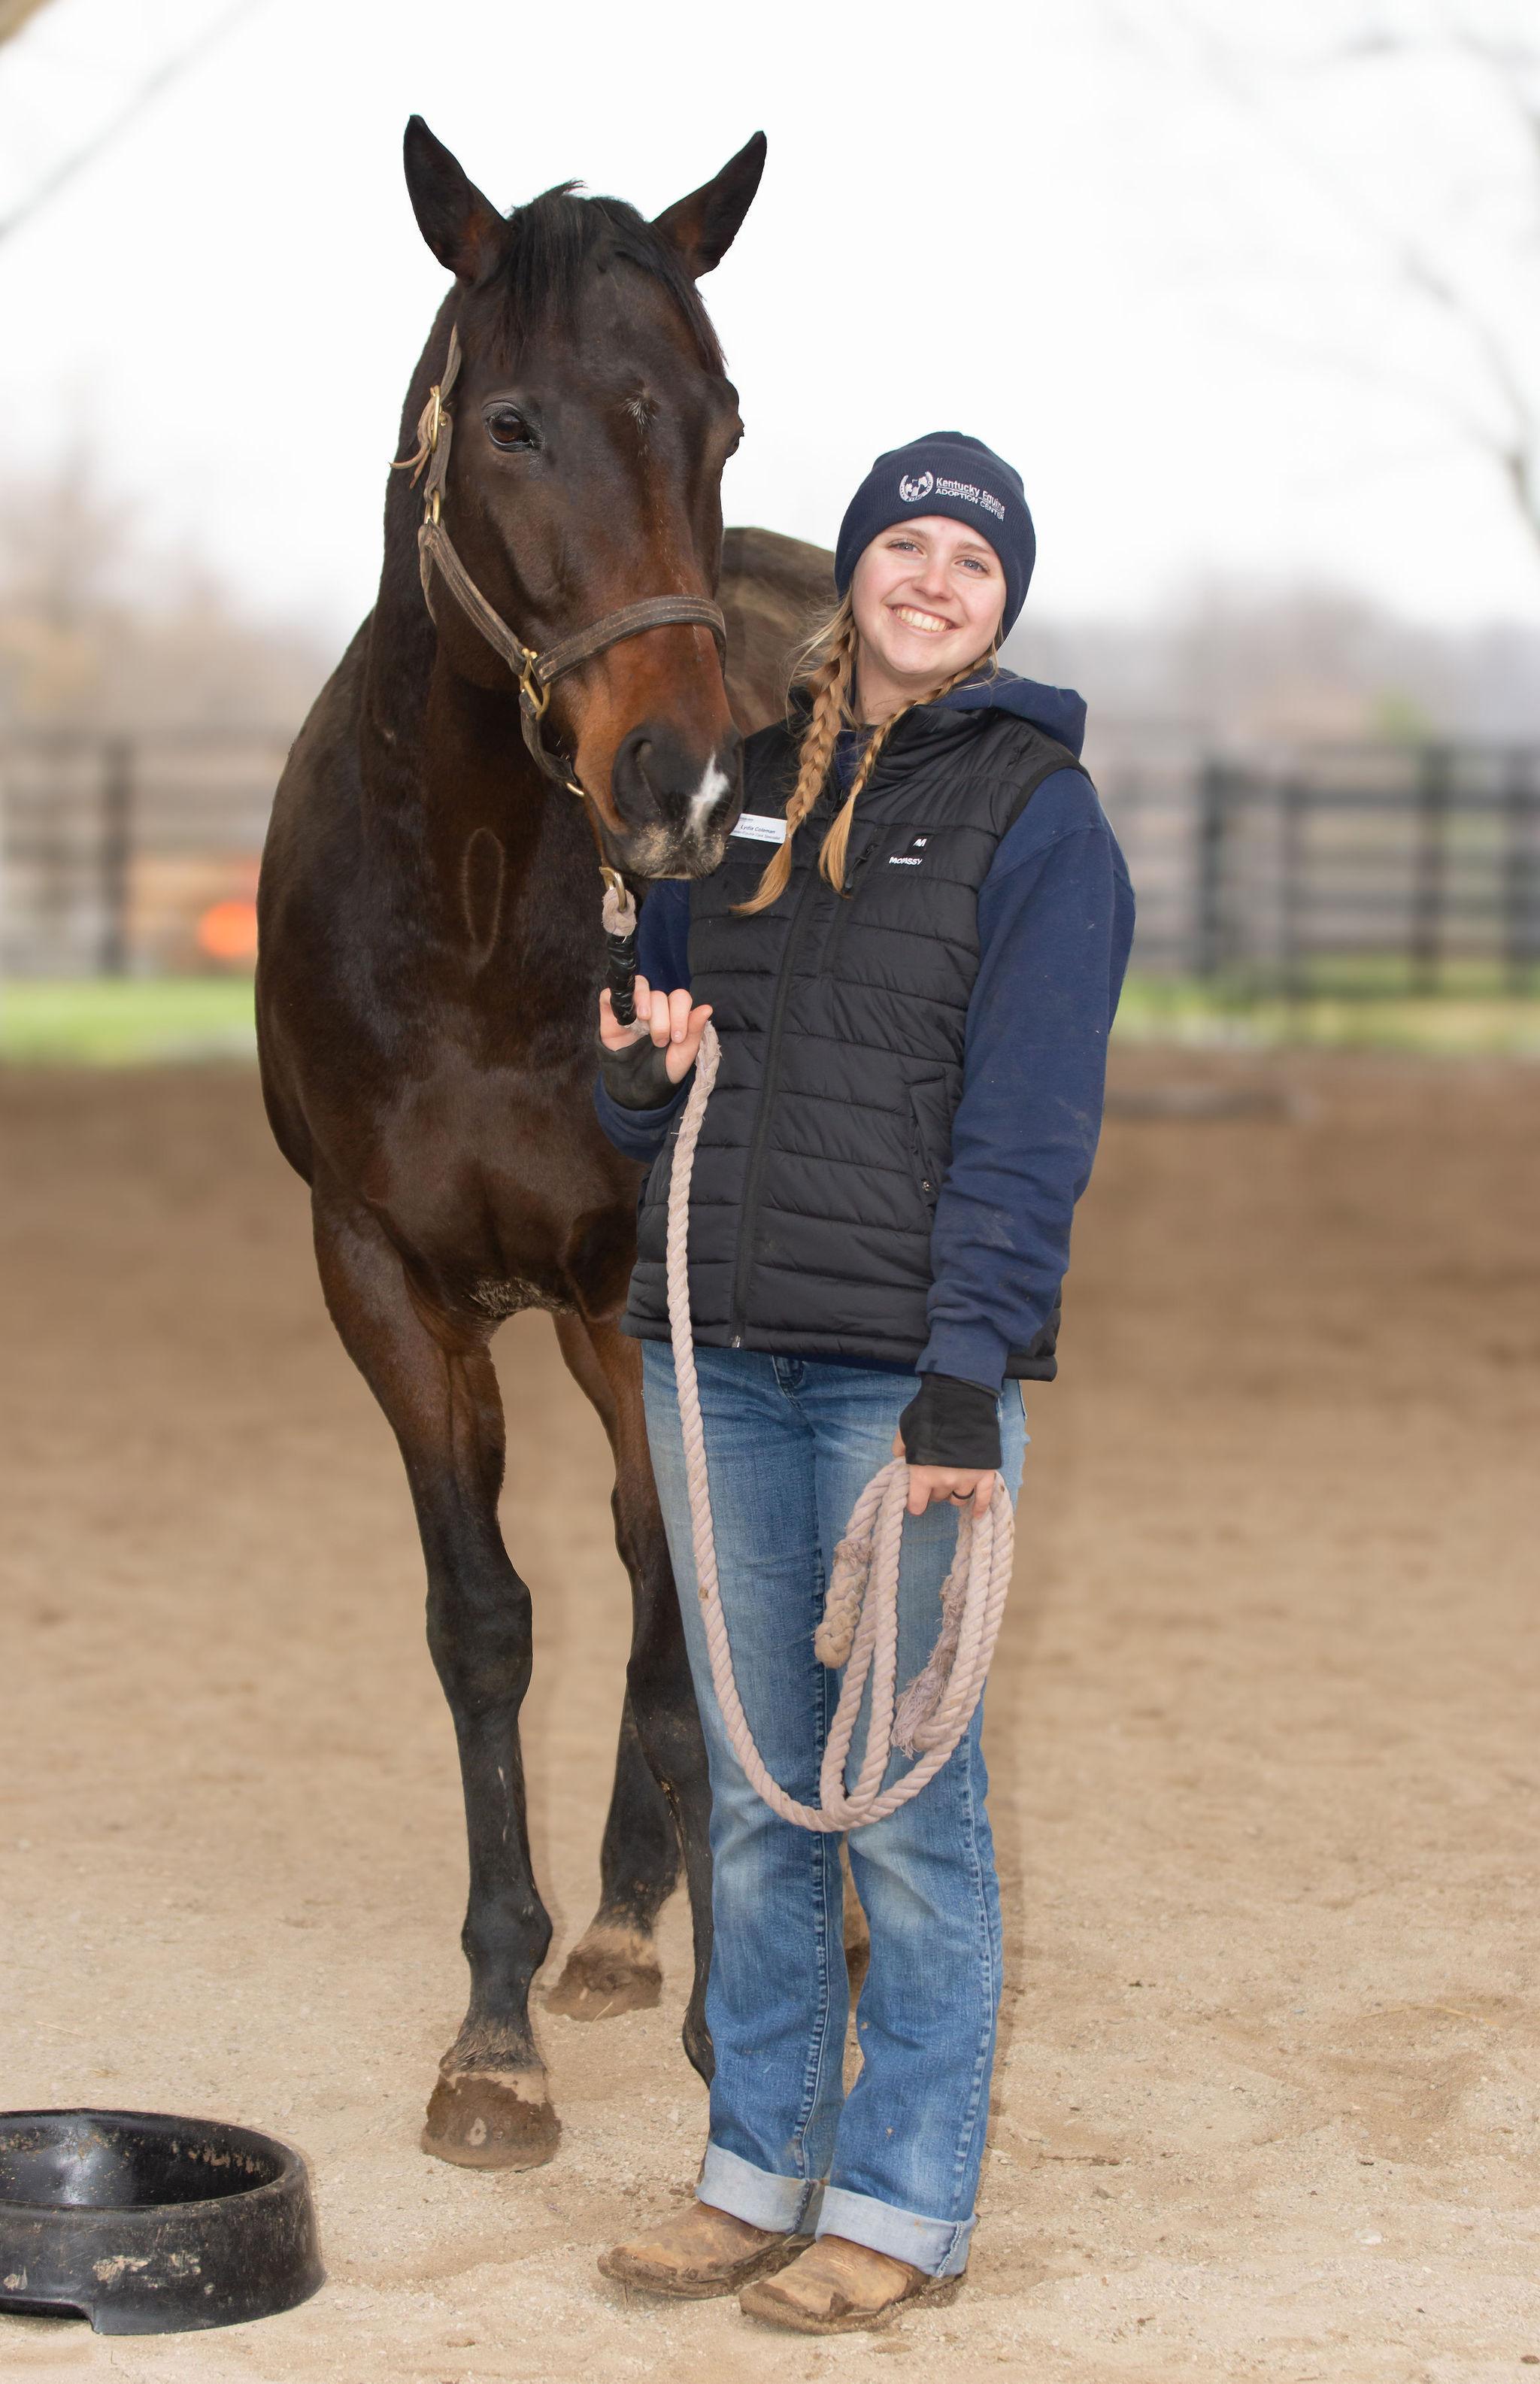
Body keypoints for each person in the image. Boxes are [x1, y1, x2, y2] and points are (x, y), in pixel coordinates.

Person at [590, 433, 1134, 2335]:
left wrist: (969, 1381)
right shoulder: (735, 784)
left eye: (968, 558)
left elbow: (1030, 1124)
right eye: (902, 542)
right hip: (712, 1349)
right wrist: (639, 1064)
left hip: (900, 1370)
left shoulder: (1038, 814)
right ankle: (754, 2167)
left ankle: (899, 2196)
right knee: (752, 1781)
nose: (931, 576)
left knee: (898, 1794)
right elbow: (637, 1054)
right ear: (852, 574)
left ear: (1003, 600)